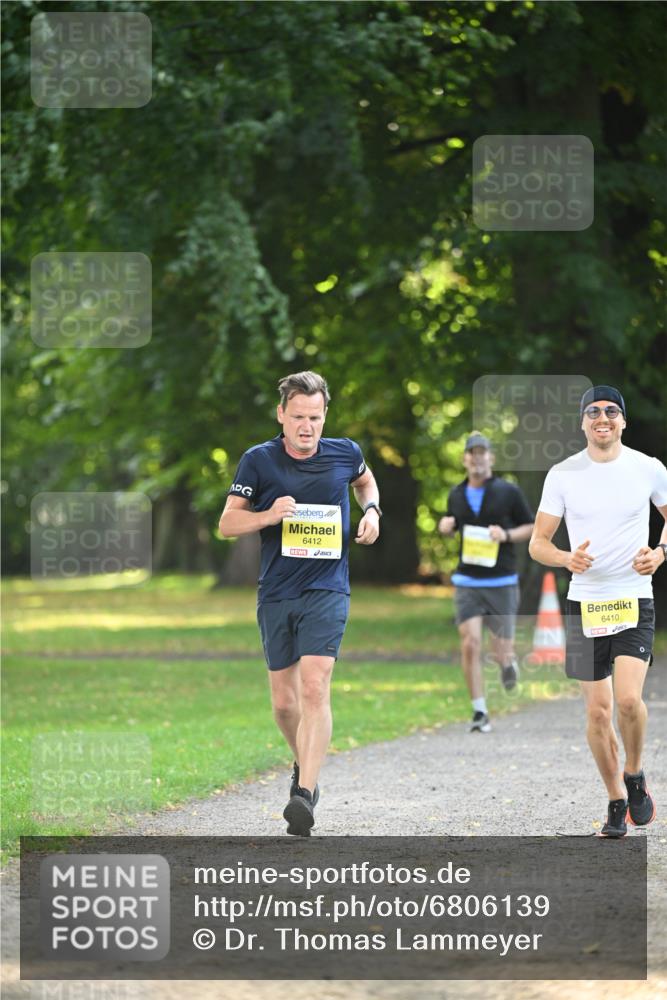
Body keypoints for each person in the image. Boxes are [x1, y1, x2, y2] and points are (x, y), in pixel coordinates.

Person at [219, 371, 380, 836]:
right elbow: (227, 523)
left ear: (324, 414)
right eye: (298, 418)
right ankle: (303, 759)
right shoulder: (259, 461)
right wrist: (269, 514)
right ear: (281, 415)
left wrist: (372, 511)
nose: (307, 427)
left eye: (315, 417)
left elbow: (366, 483)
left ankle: (304, 794)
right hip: (277, 591)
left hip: (327, 588)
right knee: (285, 704)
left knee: (315, 687)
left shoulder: (345, 453)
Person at [529, 385, 667, 838]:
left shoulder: (648, 468)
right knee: (596, 713)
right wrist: (566, 558)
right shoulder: (564, 474)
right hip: (583, 604)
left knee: (628, 700)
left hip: (633, 596)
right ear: (582, 422)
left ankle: (634, 774)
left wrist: (661, 552)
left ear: (623, 421)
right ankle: (614, 800)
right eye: (593, 412)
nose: (602, 417)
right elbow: (538, 543)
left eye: (611, 411)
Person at [438, 433, 534, 733]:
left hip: (502, 579)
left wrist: (505, 535)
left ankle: (508, 664)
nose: (477, 458)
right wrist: (445, 527)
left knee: (501, 648)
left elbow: (531, 527)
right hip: (468, 580)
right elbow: (450, 524)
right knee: (470, 643)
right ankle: (480, 710)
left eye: (482, 453)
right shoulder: (456, 494)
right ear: (465, 459)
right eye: (472, 454)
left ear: (491, 458)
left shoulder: (508, 491)